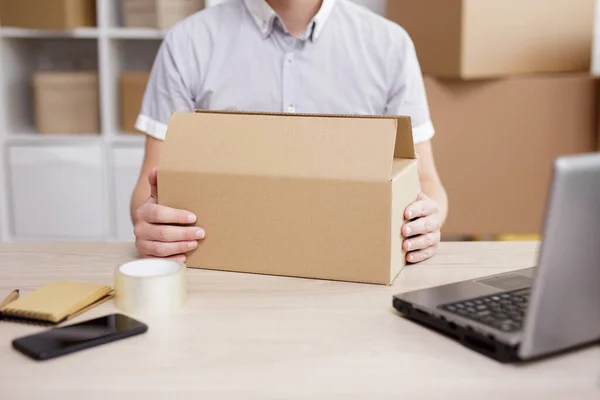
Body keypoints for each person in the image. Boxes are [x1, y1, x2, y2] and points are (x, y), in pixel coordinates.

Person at [130, 0, 448, 265]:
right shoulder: (188, 42)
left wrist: (426, 221)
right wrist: (152, 225)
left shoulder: (389, 45)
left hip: (353, 277)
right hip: (223, 275)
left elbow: (426, 182)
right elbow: (151, 185)